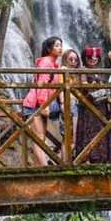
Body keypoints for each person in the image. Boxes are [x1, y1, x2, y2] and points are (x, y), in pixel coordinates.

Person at [22, 37, 63, 166]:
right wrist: (44, 105)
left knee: (40, 138)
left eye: (61, 45)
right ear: (49, 48)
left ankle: (37, 168)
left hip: (41, 104)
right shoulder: (46, 62)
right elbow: (41, 85)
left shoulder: (53, 64)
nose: (60, 48)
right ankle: (44, 168)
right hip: (36, 105)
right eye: (56, 45)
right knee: (39, 139)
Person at [74, 46, 111, 164]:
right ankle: (87, 157)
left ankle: (102, 157)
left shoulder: (99, 72)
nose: (93, 59)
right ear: (85, 58)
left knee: (101, 129)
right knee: (88, 131)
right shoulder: (83, 71)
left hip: (101, 105)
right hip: (88, 106)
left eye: (96, 57)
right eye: (90, 57)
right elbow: (84, 86)